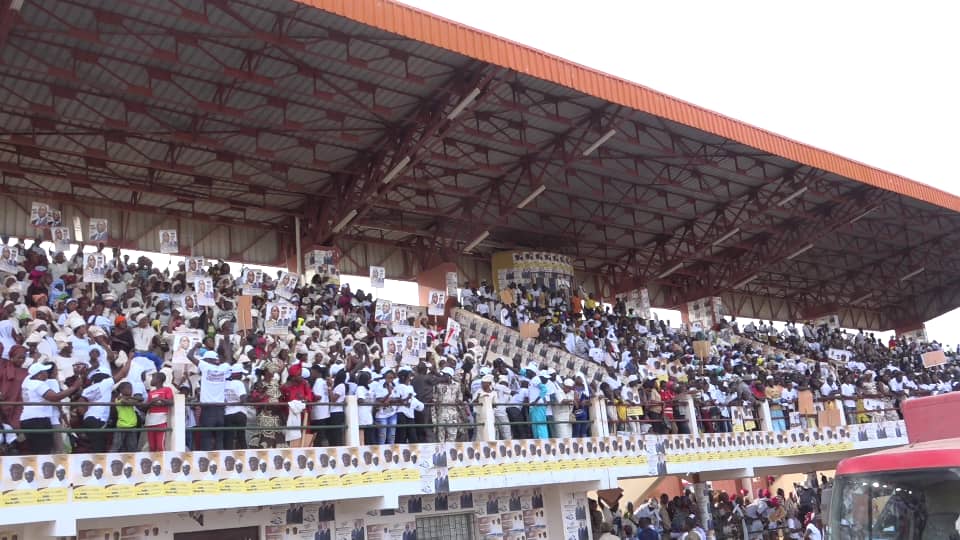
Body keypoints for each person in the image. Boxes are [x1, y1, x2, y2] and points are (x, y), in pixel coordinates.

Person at [20, 362, 82, 454]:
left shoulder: (27, 381)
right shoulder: (38, 384)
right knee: (44, 451)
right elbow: (54, 397)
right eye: (45, 371)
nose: (47, 373)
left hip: (26, 419)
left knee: (35, 450)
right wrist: (74, 387)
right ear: (39, 375)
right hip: (38, 420)